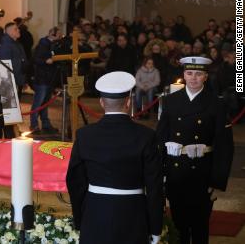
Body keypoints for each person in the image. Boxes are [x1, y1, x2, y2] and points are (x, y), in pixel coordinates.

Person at [66, 71, 163, 244]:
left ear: (102, 103)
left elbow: (75, 182)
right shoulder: (146, 136)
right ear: (128, 102)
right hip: (133, 213)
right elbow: (154, 186)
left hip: (95, 212)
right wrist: (155, 227)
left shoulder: (84, 135)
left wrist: (80, 219)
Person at [156, 56, 234, 244]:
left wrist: (217, 180)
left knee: (200, 227)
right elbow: (160, 139)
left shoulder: (216, 103)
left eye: (198, 74)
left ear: (205, 77)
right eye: (189, 73)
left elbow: (224, 145)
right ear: (183, 74)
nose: (193, 78)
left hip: (202, 173)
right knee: (178, 225)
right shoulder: (171, 101)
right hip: (175, 172)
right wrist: (161, 172)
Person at [29, 27, 62, 134]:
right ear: (52, 34)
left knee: (46, 103)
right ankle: (33, 125)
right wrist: (45, 61)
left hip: (49, 78)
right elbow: (35, 59)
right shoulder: (43, 44)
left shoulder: (55, 45)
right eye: (59, 34)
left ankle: (46, 124)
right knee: (38, 102)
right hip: (42, 78)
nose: (60, 37)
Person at [0, 22, 28, 97]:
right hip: (11, 80)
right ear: (9, 31)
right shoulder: (5, 45)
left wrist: (23, 80)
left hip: (18, 78)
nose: (18, 30)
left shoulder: (17, 43)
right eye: (16, 29)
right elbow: (5, 65)